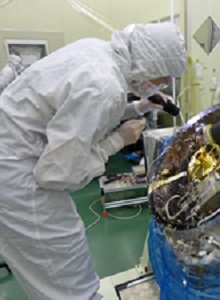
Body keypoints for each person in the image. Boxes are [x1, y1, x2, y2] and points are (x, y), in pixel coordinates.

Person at [0, 23, 187, 300]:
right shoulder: (104, 85)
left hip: (13, 150)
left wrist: (139, 107)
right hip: (18, 175)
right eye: (163, 77)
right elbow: (56, 173)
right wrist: (117, 141)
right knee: (63, 269)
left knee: (39, 271)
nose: (162, 85)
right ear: (152, 63)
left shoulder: (97, 51)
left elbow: (77, 109)